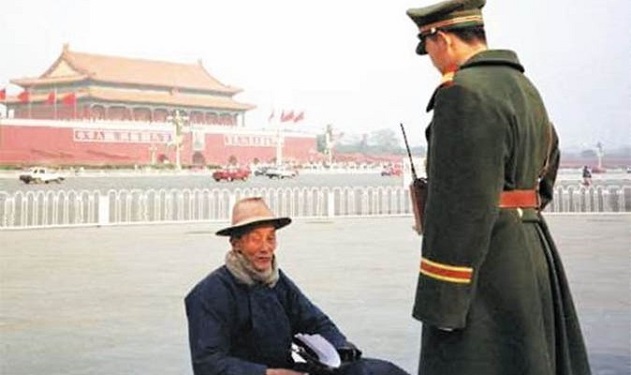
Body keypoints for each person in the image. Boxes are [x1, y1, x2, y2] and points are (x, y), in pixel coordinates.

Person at [405, 1, 592, 374]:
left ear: (440, 38)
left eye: (428, 49)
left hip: (486, 263)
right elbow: (548, 167)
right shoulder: (524, 87)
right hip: (531, 245)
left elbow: (460, 205)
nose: (432, 59)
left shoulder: (462, 92)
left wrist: (443, 300)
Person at [185, 197, 409, 375]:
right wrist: (267, 373)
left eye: (270, 238)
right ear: (236, 244)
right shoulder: (210, 294)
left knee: (377, 371)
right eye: (255, 239)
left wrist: (340, 348)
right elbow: (209, 364)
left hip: (286, 368)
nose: (265, 248)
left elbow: (314, 320)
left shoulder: (276, 282)